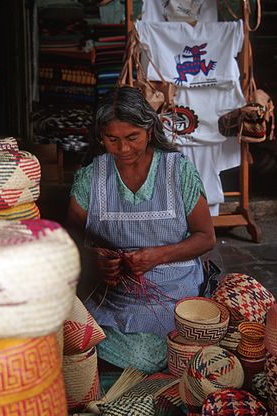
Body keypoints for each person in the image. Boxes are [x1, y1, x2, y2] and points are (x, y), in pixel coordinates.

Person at [66, 86, 216, 374]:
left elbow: (206, 238)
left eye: (132, 137)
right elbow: (69, 239)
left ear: (149, 129)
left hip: (172, 284)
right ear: (100, 137)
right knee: (70, 333)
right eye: (112, 139)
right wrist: (96, 259)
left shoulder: (178, 171)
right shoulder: (91, 177)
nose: (123, 149)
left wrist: (158, 256)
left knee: (149, 349)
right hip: (113, 292)